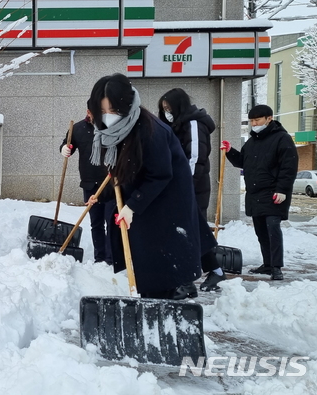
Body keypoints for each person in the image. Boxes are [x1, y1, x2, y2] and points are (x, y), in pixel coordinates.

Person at [87, 73, 217, 299]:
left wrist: (132, 206)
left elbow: (159, 174)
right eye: (103, 111)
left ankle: (167, 298)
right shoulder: (117, 131)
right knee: (146, 260)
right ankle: (155, 294)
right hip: (147, 202)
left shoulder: (151, 131)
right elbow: (124, 172)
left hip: (165, 204)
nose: (107, 117)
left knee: (161, 262)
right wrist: (104, 195)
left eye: (113, 111)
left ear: (126, 106)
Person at [158, 88, 227, 297]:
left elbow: (195, 158)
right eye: (164, 109)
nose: (167, 112)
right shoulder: (177, 126)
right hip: (179, 188)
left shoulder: (194, 124)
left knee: (185, 234)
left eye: (169, 108)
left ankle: (186, 281)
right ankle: (215, 270)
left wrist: (182, 186)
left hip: (192, 189)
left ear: (179, 106)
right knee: (193, 232)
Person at [221, 104, 298, 280]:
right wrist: (230, 151)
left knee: (273, 227)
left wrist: (282, 190)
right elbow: (243, 162)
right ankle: (268, 264)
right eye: (252, 121)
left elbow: (289, 167)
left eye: (257, 120)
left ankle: (276, 266)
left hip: (273, 192)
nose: (254, 124)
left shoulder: (282, 139)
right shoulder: (252, 141)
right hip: (255, 193)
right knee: (261, 230)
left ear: (269, 119)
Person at [60, 102, 115, 264]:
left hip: (110, 183)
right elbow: (67, 144)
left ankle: (112, 259)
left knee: (111, 222)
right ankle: (100, 257)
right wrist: (65, 148)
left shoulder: (113, 128)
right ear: (88, 112)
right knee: (96, 223)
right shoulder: (77, 129)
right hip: (90, 183)